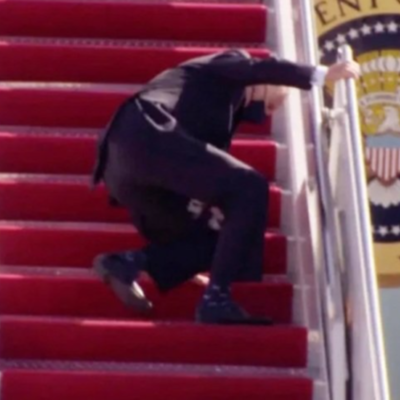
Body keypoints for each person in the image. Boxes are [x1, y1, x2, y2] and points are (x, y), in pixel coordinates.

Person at [91, 49, 360, 325]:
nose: (276, 108)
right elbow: (259, 67)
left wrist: (181, 261)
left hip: (127, 166)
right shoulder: (228, 62)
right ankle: (216, 299)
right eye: (281, 96)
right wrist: (322, 74)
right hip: (147, 133)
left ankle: (128, 262)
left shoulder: (217, 111)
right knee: (250, 186)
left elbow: (206, 178)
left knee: (219, 234)